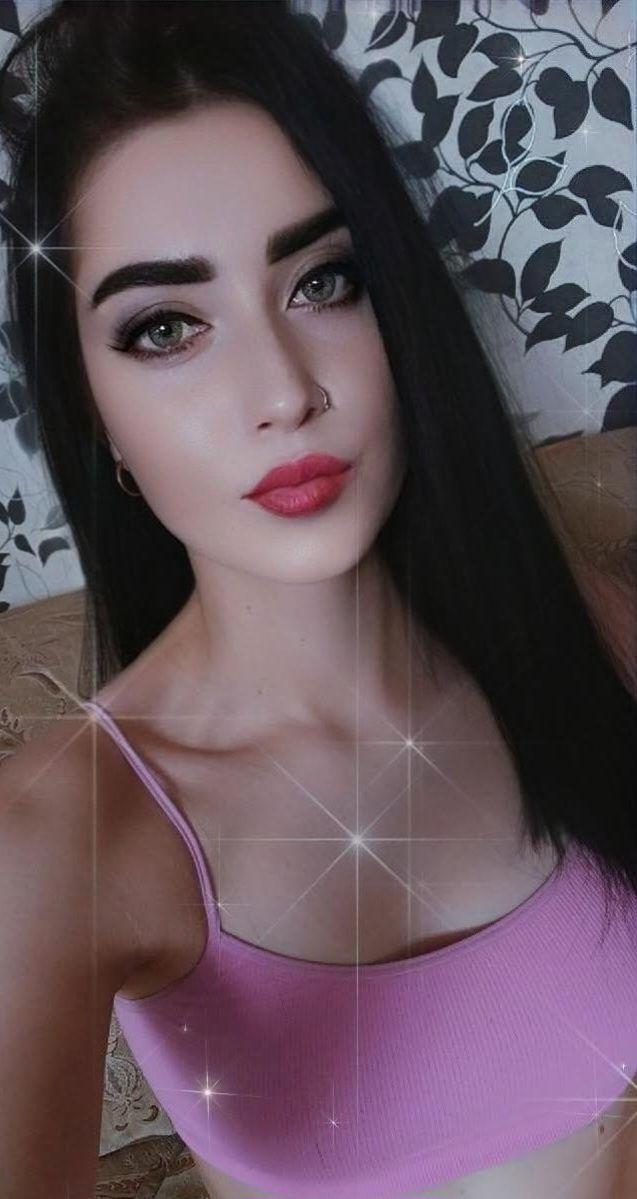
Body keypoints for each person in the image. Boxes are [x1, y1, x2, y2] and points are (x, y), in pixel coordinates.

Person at [0, 3, 635, 1197]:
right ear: (93, 414)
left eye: (325, 280)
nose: (283, 391)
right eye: (167, 326)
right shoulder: (59, 841)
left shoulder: (595, 642)